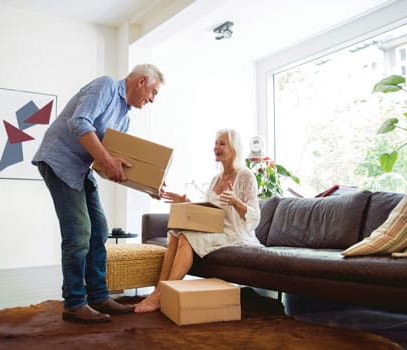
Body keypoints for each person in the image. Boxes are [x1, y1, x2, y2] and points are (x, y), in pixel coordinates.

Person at [32, 64, 165, 323]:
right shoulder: (106, 86)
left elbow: (113, 165)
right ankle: (74, 303)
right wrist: (107, 160)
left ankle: (98, 296)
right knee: (78, 233)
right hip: (59, 160)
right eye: (153, 92)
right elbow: (79, 122)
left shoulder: (125, 118)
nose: (152, 99)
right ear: (140, 82)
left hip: (82, 168)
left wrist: (150, 186)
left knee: (99, 230)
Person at [134, 129, 261, 313]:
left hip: (234, 233)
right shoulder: (215, 179)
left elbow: (255, 217)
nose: (216, 147)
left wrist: (236, 202)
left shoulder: (245, 176)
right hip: (214, 230)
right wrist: (185, 202)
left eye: (222, 143)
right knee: (175, 234)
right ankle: (158, 290)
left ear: (234, 148)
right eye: (216, 143)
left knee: (186, 237)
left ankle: (161, 296)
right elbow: (208, 212)